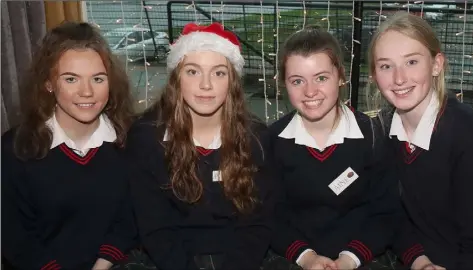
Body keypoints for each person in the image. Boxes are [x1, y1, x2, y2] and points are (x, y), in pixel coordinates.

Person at [126, 22, 275, 270]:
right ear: (176, 79)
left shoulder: (256, 137)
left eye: (219, 73)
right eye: (193, 72)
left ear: (232, 82)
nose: (206, 85)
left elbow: (257, 223)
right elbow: (155, 226)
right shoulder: (146, 138)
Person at [1, 22, 137, 270]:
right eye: (71, 79)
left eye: (98, 79)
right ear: (49, 84)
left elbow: (132, 218)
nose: (87, 92)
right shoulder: (13, 149)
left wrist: (102, 265)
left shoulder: (132, 142)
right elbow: (13, 234)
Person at [266, 26, 401, 270]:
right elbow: (269, 215)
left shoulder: (372, 136)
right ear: (284, 83)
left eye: (321, 78)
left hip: (363, 257)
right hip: (293, 257)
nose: (310, 92)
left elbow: (386, 213)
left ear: (340, 77)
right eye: (297, 81)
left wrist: (349, 260)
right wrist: (307, 258)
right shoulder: (272, 141)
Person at [367, 11, 473, 270]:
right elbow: (391, 215)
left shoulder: (467, 133)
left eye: (412, 62)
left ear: (436, 64)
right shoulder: (380, 131)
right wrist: (420, 261)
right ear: (374, 74)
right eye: (386, 66)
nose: (399, 78)